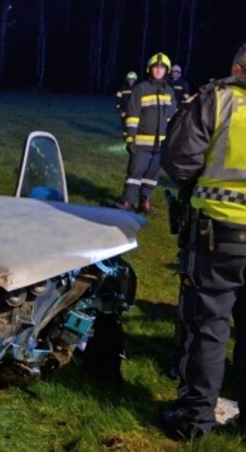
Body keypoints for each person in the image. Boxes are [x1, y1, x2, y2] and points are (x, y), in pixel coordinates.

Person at [159, 43, 246, 440]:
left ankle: (196, 421)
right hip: (221, 236)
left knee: (208, 328)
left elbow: (178, 161)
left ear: (239, 66)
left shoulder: (218, 100)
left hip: (219, 237)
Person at [118, 52, 175, 214]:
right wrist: (130, 138)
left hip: (160, 144)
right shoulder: (141, 88)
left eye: (162, 68)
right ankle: (128, 201)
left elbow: (172, 117)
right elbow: (132, 115)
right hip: (141, 142)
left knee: (152, 175)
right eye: (156, 68)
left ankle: (145, 202)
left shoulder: (169, 91)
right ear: (150, 69)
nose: (158, 71)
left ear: (166, 71)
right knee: (135, 171)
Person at [116, 71, 138, 142]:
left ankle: (134, 137)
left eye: (132, 79)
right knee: (124, 124)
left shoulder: (137, 88)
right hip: (124, 110)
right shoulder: (122, 88)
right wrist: (119, 108)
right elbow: (118, 99)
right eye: (129, 79)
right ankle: (125, 137)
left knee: (134, 124)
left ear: (134, 80)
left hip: (134, 110)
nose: (130, 81)